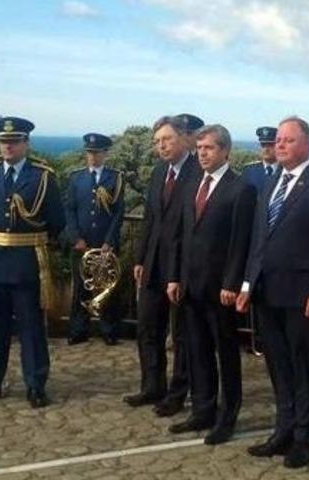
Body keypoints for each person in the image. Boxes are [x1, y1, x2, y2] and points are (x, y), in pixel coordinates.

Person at [236, 116, 309, 468]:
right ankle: (283, 428)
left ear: (307, 145)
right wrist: (248, 284)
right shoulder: (270, 184)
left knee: (304, 366)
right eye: (278, 140)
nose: (280, 145)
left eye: (288, 140)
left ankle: (304, 436)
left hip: (302, 295)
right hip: (267, 292)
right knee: (278, 366)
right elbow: (258, 240)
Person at [0, 116, 65, 409]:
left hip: (26, 265)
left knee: (32, 329)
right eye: (4, 141)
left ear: (26, 144)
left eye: (14, 141)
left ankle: (35, 385)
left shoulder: (43, 177)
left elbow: (56, 222)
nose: (8, 146)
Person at [166, 124, 257, 445]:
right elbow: (181, 234)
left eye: (209, 148)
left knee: (226, 354)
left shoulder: (240, 189)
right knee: (196, 350)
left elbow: (240, 242)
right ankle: (203, 410)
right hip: (190, 286)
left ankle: (227, 416)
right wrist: (175, 275)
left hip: (221, 289)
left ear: (225, 151)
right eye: (200, 147)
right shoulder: (192, 183)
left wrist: (232, 282)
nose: (202, 153)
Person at [127, 115, 202, 417]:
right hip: (153, 264)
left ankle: (177, 393)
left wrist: (181, 272)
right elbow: (150, 219)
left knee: (182, 333)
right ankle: (151, 386)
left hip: (181, 266)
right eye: (157, 142)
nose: (162, 146)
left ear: (184, 139)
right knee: (147, 327)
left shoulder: (198, 173)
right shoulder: (159, 172)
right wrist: (140, 258)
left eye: (167, 139)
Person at [64, 133, 125, 346]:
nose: (92, 156)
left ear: (105, 154)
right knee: (81, 287)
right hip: (82, 244)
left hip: (105, 243)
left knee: (108, 288)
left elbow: (118, 213)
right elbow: (69, 210)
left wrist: (110, 240)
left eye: (97, 153)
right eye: (89, 152)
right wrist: (75, 238)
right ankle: (78, 330)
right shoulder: (76, 178)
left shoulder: (115, 178)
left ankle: (109, 330)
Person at [242, 126, 279, 193]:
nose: (266, 149)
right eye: (263, 145)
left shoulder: (285, 171)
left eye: (270, 145)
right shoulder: (249, 171)